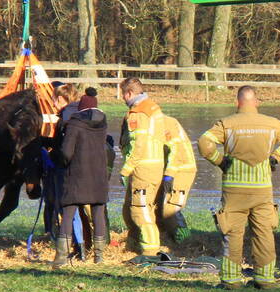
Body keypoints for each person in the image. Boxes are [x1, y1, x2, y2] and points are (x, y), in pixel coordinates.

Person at [198, 85, 280, 289]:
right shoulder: (272, 124)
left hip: (234, 190)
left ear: (238, 102)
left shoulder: (226, 124)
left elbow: (204, 143)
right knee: (264, 233)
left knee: (233, 234)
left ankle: (231, 281)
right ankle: (265, 279)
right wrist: (276, 158)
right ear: (256, 102)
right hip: (262, 190)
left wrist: (219, 160)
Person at [53, 93, 110, 267]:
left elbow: (66, 152)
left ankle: (61, 257)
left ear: (81, 108)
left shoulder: (74, 124)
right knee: (98, 214)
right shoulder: (103, 124)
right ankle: (99, 258)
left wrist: (59, 161)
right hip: (99, 176)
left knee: (69, 213)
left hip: (77, 176)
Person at [118, 77, 165, 255]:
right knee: (133, 207)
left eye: (123, 95)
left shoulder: (139, 113)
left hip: (143, 168)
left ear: (129, 93)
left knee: (140, 210)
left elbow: (139, 145)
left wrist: (126, 169)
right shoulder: (153, 106)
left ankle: (150, 253)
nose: (123, 99)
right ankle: (133, 244)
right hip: (155, 165)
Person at [158, 114, 196, 244]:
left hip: (182, 169)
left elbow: (177, 150)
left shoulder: (167, 123)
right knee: (159, 208)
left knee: (171, 209)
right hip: (166, 170)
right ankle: (168, 239)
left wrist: (169, 174)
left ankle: (186, 242)